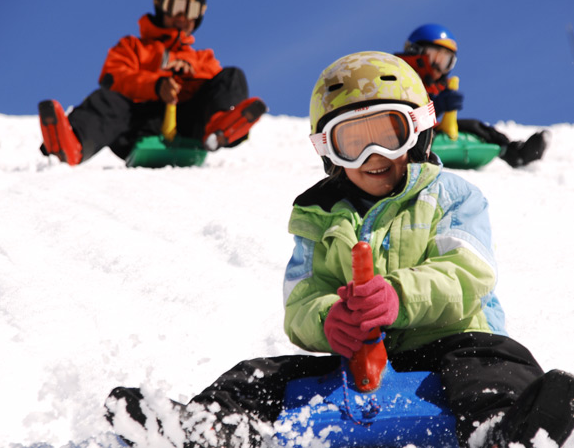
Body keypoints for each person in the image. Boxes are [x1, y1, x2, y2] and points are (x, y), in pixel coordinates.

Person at [104, 52, 574, 448]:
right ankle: (208, 429)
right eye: (353, 141)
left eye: (388, 135)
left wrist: (397, 295)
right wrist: (332, 320)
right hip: (358, 361)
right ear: (329, 151)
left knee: (497, 361)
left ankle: (502, 430)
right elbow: (302, 301)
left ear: (417, 132)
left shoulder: (451, 196)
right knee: (257, 376)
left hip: (449, 345)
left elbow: (468, 273)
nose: (371, 156)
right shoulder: (319, 216)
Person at [38, 0, 266, 166]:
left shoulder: (203, 58)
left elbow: (215, 89)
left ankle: (221, 129)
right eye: (175, 6)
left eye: (190, 9)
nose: (182, 16)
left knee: (232, 76)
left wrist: (187, 82)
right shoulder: (133, 47)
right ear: (160, 5)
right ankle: (71, 144)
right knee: (106, 100)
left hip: (190, 125)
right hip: (137, 123)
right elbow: (113, 77)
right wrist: (157, 86)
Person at [396, 23, 548, 168]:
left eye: (446, 61)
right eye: (436, 57)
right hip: (398, 135)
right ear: (416, 51)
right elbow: (399, 119)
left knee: (474, 127)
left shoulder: (435, 86)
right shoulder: (397, 75)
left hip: (428, 133)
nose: (439, 66)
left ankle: (514, 153)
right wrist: (436, 106)